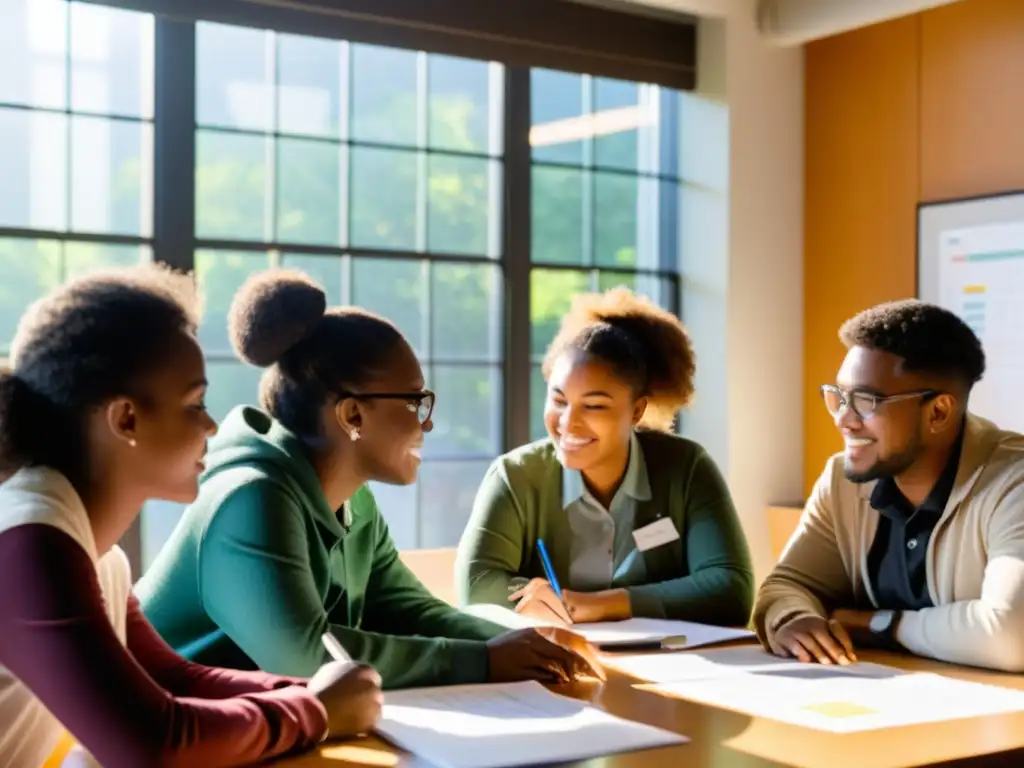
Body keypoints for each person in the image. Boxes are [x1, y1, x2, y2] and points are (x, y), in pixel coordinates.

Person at [136, 269, 602, 690]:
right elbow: (306, 657)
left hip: (261, 728)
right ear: (352, 413)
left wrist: (525, 638)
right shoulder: (250, 499)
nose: (428, 424)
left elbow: (408, 610)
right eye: (415, 402)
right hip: (172, 737)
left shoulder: (354, 502)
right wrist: (484, 660)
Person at [0, 266, 381, 768]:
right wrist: (316, 710)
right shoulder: (31, 544)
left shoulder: (95, 553)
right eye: (194, 402)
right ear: (125, 419)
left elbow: (175, 678)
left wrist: (312, 690)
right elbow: (154, 742)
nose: (212, 423)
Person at [454, 288, 754, 627]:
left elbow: (732, 590)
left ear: (637, 411)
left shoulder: (686, 469)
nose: (568, 422)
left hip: (673, 662)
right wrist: (532, 594)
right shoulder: (515, 476)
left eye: (594, 406)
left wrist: (604, 604)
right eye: (558, 400)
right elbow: (477, 585)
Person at [754, 300, 1024, 672]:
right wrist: (792, 619)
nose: (844, 420)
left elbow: (1013, 635)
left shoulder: (1014, 482)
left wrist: (878, 625)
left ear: (939, 413)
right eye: (839, 397)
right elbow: (788, 584)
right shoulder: (842, 481)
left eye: (866, 401)